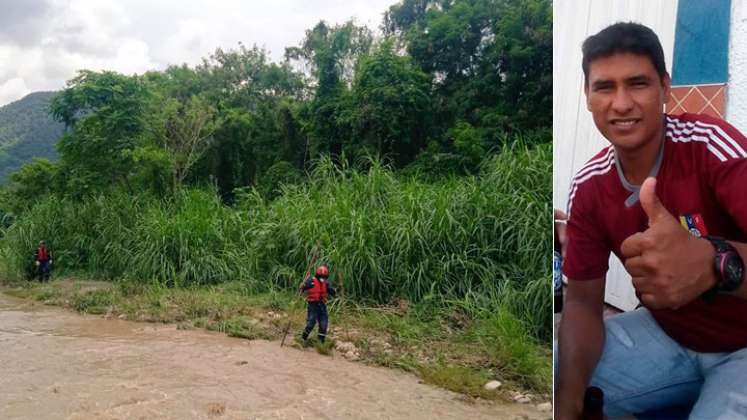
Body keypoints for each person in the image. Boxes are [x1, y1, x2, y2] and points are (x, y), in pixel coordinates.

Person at [555, 22, 747, 419]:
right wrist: (568, 402)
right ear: (587, 97)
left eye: (637, 84)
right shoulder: (589, 187)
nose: (621, 104)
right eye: (604, 87)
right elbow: (582, 305)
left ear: (664, 87)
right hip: (669, 338)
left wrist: (718, 263)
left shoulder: (712, 146)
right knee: (555, 371)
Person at [299, 265, 338, 344]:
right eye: (321, 276)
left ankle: (321, 343)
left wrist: (337, 290)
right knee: (311, 323)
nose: (322, 278)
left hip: (322, 306)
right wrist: (302, 287)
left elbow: (332, 291)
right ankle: (303, 339)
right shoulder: (311, 281)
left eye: (324, 277)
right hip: (313, 305)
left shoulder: (325, 284)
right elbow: (302, 288)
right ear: (317, 275)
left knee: (324, 324)